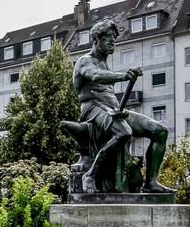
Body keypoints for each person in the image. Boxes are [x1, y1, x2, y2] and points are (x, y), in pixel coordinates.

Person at [63, 18, 171, 194]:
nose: (113, 41)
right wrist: (123, 76)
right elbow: (96, 76)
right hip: (93, 108)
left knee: (160, 131)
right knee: (124, 132)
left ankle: (151, 182)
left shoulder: (105, 62)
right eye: (108, 37)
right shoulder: (85, 61)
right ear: (96, 39)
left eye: (114, 38)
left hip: (113, 110)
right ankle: (90, 175)